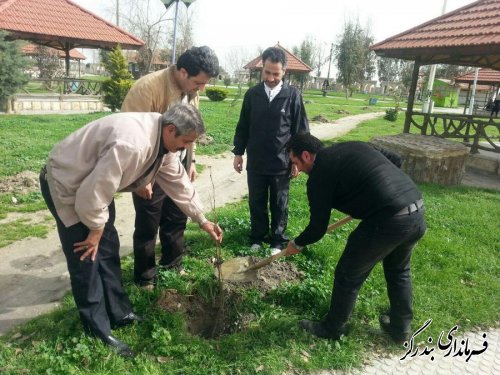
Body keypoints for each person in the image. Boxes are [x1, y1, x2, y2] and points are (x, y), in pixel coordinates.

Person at [39, 104, 223, 357]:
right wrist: (94, 229)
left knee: (108, 249)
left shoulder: (162, 140)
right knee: (87, 258)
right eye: (186, 142)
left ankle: (119, 313)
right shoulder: (132, 145)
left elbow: (179, 183)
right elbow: (89, 195)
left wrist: (202, 219)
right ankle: (98, 331)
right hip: (68, 183)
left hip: (94, 186)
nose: (187, 148)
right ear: (171, 130)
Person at [284, 133, 426, 344]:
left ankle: (332, 328)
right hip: (416, 210)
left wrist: (297, 243)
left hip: (388, 221)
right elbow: (395, 159)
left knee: (347, 274)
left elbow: (317, 228)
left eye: (295, 162)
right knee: (398, 270)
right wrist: (374, 193)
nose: (298, 169)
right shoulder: (354, 145)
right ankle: (400, 328)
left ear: (306, 155)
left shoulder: (319, 176)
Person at [121, 46, 219, 288]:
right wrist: (142, 180)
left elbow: (191, 129)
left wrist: (191, 161)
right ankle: (145, 278)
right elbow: (130, 138)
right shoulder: (148, 88)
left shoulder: (192, 90)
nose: (201, 88)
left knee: (177, 216)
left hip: (177, 161)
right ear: (183, 72)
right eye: (199, 82)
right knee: (148, 222)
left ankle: (172, 265)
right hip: (148, 167)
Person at [232, 46, 309, 255]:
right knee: (256, 201)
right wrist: (238, 153)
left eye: (276, 73)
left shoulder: (292, 96)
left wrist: (297, 161)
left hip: (281, 162)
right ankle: (257, 237)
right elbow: (243, 126)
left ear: (284, 71)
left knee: (279, 202)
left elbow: (301, 131)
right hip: (256, 161)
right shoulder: (252, 95)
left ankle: (277, 240)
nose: (271, 77)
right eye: (267, 72)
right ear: (262, 68)